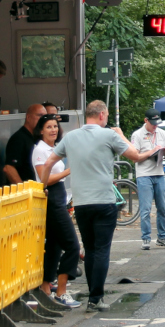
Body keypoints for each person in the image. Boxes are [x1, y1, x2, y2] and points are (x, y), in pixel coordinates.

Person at [39, 100, 149, 311]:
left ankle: (93, 295)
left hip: (81, 203)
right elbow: (135, 155)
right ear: (101, 115)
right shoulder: (109, 135)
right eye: (106, 116)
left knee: (89, 249)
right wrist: (122, 135)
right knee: (101, 250)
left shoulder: (70, 137)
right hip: (104, 201)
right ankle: (95, 298)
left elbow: (47, 164)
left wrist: (43, 186)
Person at [31, 114, 80, 307]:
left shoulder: (54, 148)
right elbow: (45, 178)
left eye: (55, 127)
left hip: (59, 195)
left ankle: (45, 287)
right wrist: (69, 171)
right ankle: (61, 291)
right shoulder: (39, 150)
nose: (53, 130)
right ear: (41, 130)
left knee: (53, 246)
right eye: (49, 127)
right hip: (51, 197)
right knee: (72, 246)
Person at [131, 109, 165, 250]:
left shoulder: (163, 134)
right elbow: (135, 157)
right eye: (153, 123)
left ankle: (162, 237)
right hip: (144, 174)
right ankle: (146, 238)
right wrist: (152, 151)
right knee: (146, 209)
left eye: (157, 123)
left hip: (159, 173)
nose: (155, 126)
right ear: (146, 121)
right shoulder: (137, 135)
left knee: (162, 208)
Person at [3, 103, 47, 185]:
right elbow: (9, 168)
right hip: (23, 193)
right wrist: (23, 190)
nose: (43, 120)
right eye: (40, 116)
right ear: (28, 117)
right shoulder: (19, 138)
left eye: (45, 117)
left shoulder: (37, 138)